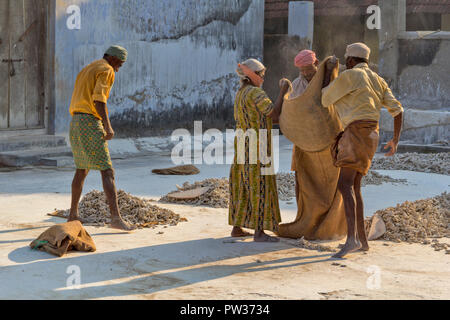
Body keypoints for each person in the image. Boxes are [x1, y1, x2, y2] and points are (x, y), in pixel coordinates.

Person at [322, 42, 404, 258]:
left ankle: (352, 240)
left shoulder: (350, 76)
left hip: (355, 133)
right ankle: (363, 240)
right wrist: (395, 140)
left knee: (344, 184)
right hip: (372, 136)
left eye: (346, 61)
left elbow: (324, 98)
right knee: (355, 186)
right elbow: (398, 110)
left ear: (350, 61)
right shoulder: (378, 80)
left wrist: (328, 73)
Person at [276, 50, 347, 240]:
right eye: (302, 70)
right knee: (307, 185)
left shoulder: (329, 79)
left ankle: (332, 225)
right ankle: (308, 223)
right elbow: (292, 109)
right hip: (305, 144)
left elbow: (335, 104)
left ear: (316, 63)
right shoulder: (297, 85)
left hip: (329, 142)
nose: (306, 73)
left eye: (309, 69)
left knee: (335, 185)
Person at [67, 45, 134, 231]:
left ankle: (73, 214)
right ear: (112, 59)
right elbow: (99, 100)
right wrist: (107, 125)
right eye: (119, 64)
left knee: (82, 168)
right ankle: (116, 219)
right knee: (107, 171)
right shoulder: (107, 70)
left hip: (75, 122)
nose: (118, 69)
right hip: (89, 122)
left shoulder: (89, 67)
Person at [229, 58, 290, 242]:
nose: (263, 78)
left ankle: (237, 228)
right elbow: (275, 115)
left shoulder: (241, 93)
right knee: (259, 185)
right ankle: (259, 232)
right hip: (257, 145)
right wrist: (283, 92)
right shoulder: (256, 93)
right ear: (254, 75)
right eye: (261, 74)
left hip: (242, 144)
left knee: (242, 185)